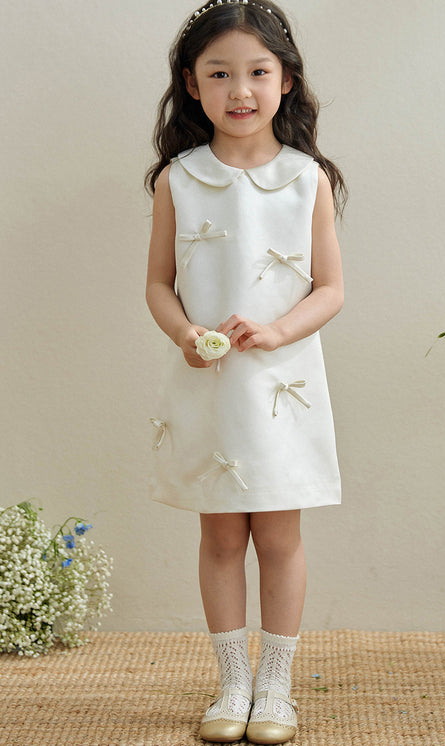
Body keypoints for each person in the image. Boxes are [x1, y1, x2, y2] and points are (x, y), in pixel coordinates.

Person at [145, 1, 347, 743]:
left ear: (285, 80)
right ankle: (232, 684)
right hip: (209, 384)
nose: (240, 90)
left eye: (257, 72)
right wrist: (186, 334)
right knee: (223, 537)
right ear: (191, 85)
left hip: (281, 388)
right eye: (219, 73)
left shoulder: (305, 179)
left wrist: (276, 330)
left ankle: (275, 687)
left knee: (280, 538)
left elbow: (329, 288)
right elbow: (158, 284)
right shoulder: (178, 180)